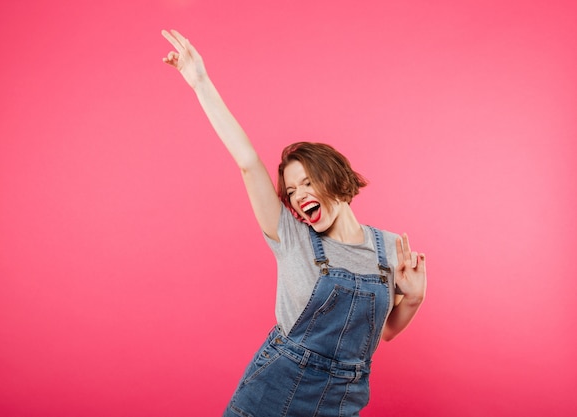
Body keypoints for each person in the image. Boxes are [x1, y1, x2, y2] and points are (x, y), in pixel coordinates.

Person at [161, 29, 427, 417]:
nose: (300, 195)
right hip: (271, 394)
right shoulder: (290, 236)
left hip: (341, 402)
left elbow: (384, 332)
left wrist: (414, 298)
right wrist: (200, 82)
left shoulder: (389, 249)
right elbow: (248, 161)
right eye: (291, 190)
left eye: (308, 182)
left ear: (336, 178)